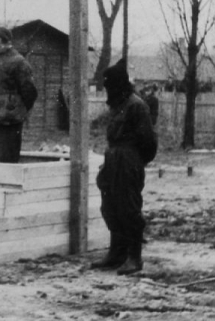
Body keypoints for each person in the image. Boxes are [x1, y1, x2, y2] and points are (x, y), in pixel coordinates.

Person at [93, 58, 156, 275]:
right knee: (110, 207)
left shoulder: (136, 105)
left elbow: (149, 142)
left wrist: (135, 163)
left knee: (129, 209)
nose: (106, 89)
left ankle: (134, 257)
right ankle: (116, 254)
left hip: (128, 160)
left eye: (109, 84)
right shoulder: (117, 105)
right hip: (113, 158)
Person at [0, 26, 38, 163]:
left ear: (8, 44)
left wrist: (17, 109)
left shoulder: (19, 62)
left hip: (10, 118)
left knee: (8, 158)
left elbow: (29, 91)